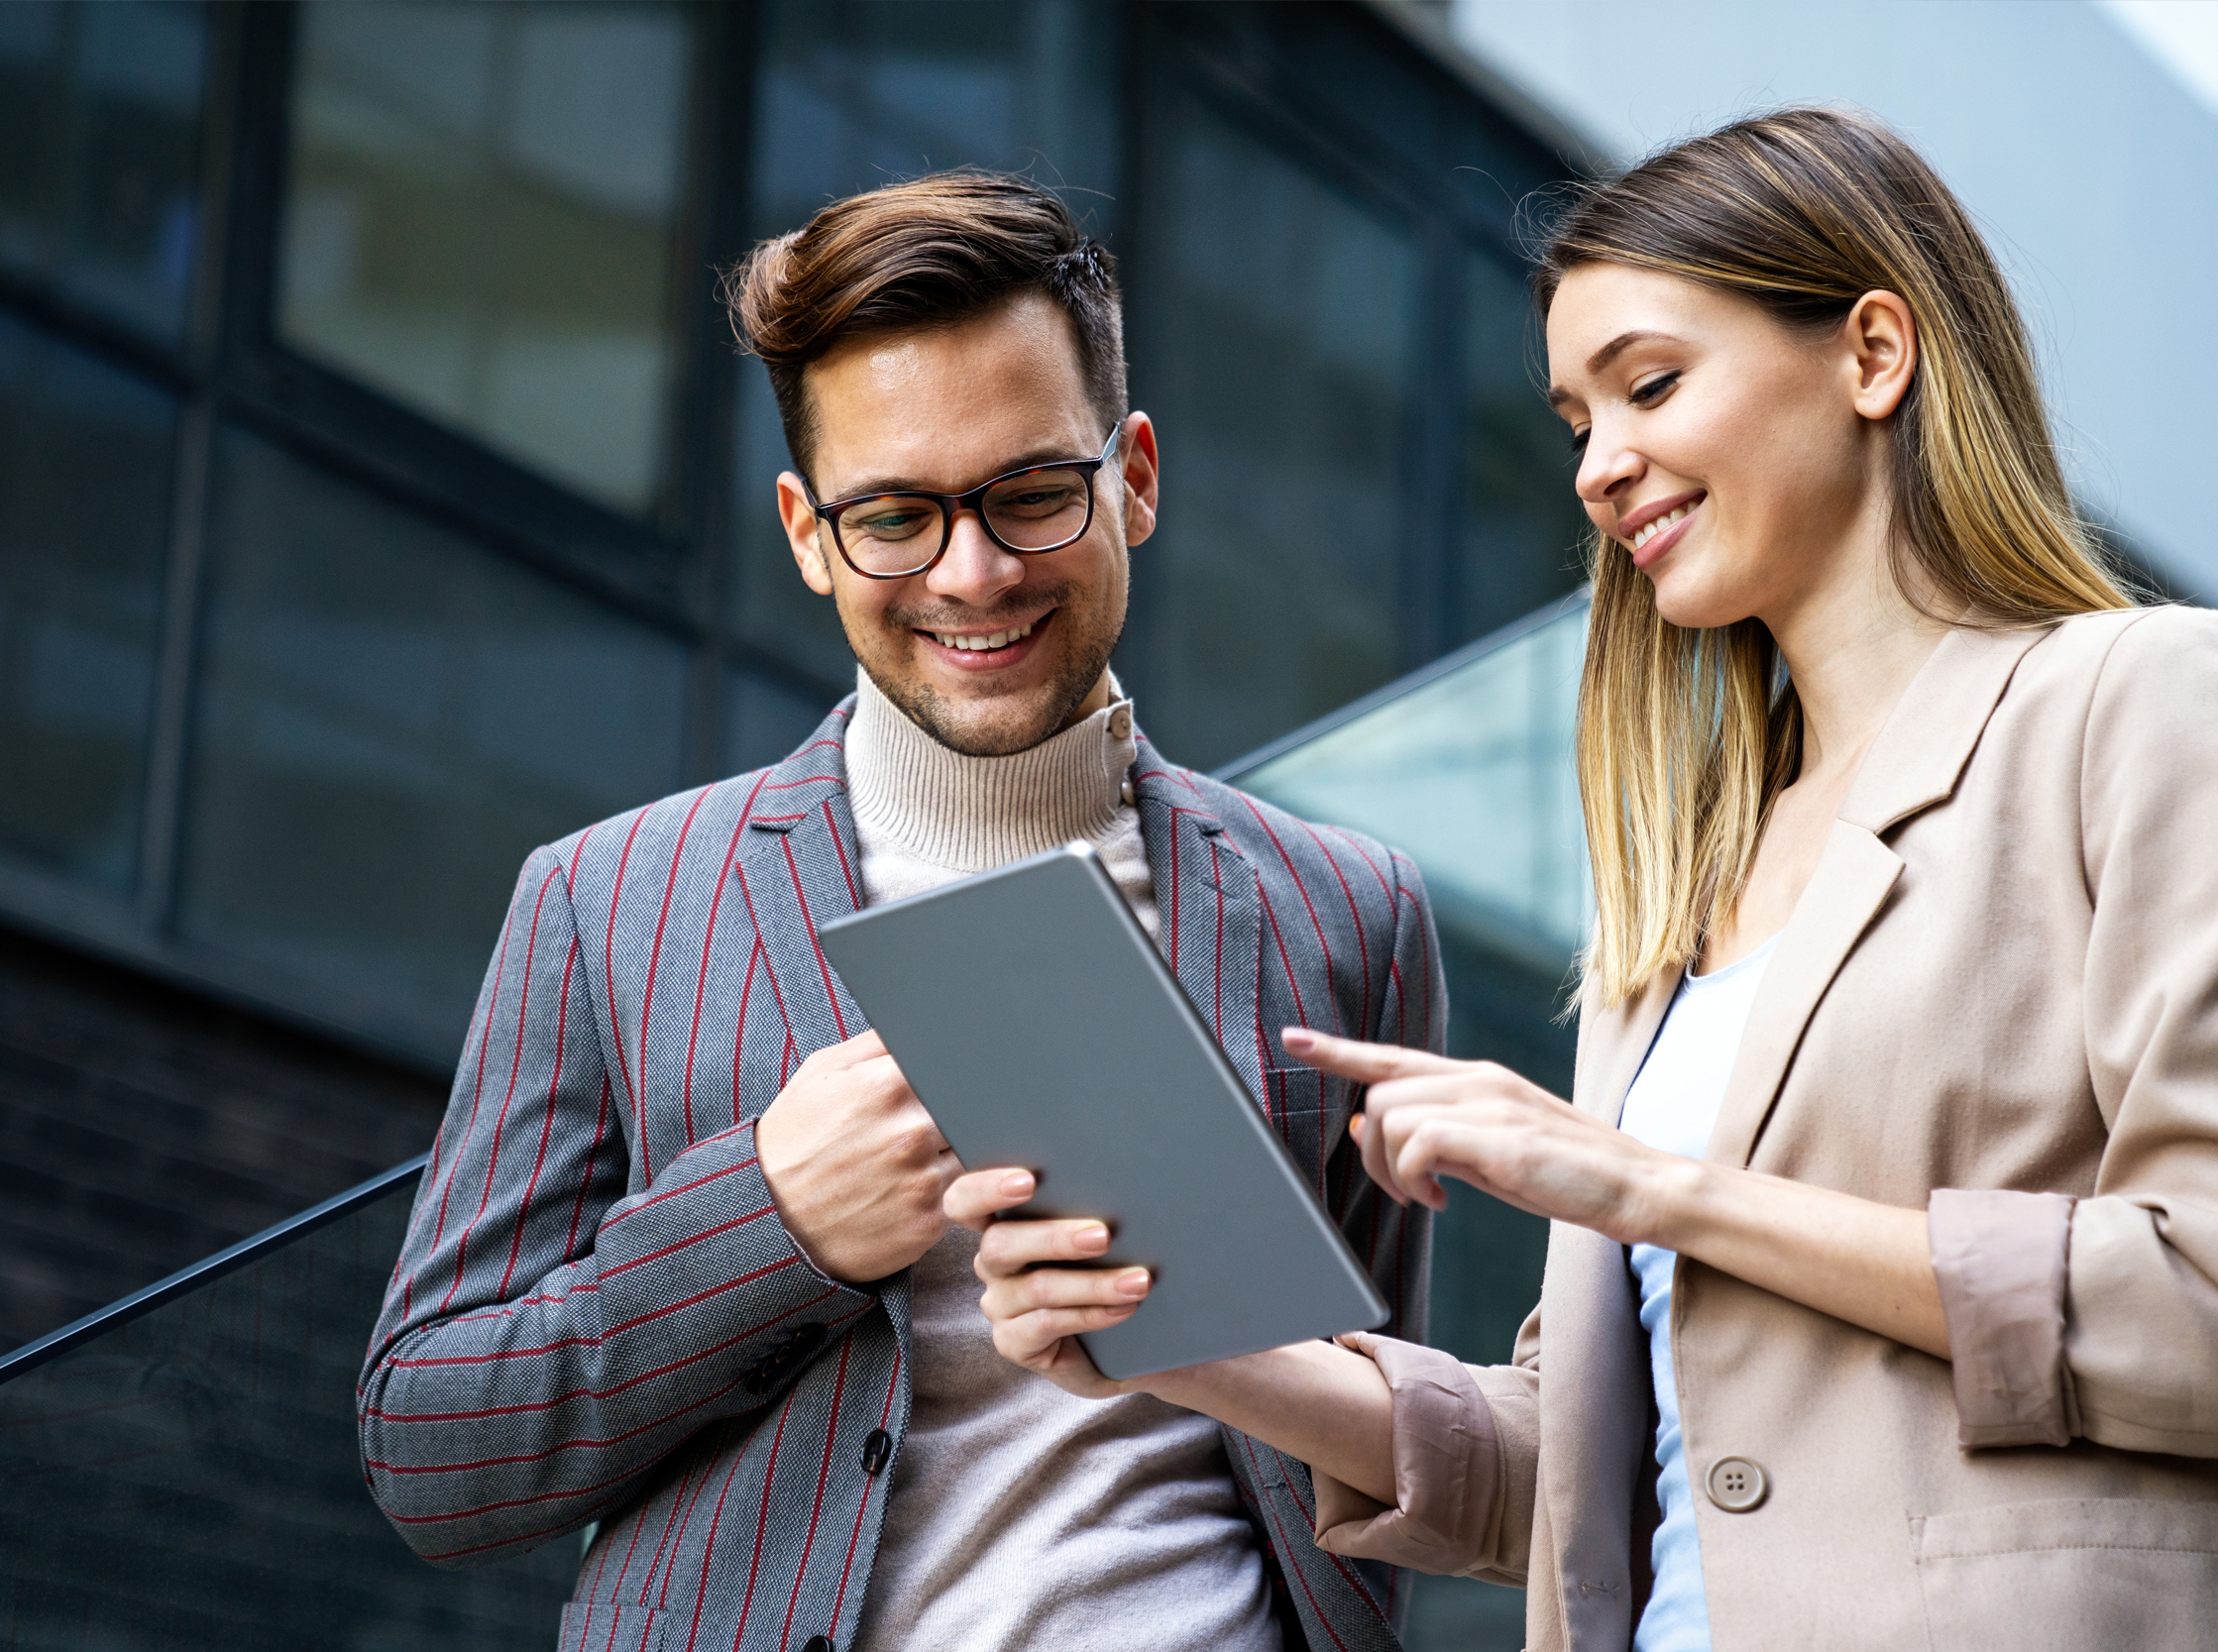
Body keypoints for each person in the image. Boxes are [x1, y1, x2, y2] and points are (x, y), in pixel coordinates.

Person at [954, 106, 2218, 1649]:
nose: (1598, 465)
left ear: (1872, 353)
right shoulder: (1687, 884)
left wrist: (1652, 1190)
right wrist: (1183, 1348)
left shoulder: (2133, 699)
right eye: (1576, 420)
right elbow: (1601, 1474)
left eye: (1649, 384)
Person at [356, 170, 1444, 1652]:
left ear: (1133, 474)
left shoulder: (1349, 914)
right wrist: (771, 1223)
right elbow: (432, 1452)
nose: (973, 571)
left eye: (1030, 494)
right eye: (896, 518)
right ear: (808, 534)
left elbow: (1387, 1445)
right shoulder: (606, 905)